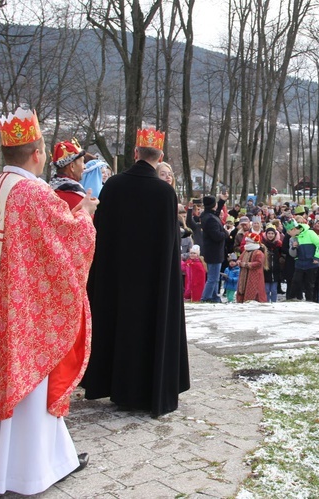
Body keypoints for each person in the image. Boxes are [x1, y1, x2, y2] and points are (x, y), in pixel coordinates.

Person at [0, 107, 97, 496]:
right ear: (37, 153)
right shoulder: (34, 193)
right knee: (30, 387)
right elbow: (68, 244)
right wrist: (85, 215)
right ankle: (26, 474)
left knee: (3, 385)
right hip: (26, 313)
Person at [82, 127, 189, 417]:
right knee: (150, 330)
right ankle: (149, 390)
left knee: (119, 328)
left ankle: (117, 387)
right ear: (160, 157)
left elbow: (100, 235)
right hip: (153, 282)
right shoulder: (165, 193)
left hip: (117, 280)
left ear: (135, 153)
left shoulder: (114, 186)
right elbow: (170, 245)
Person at [285, 219, 319, 301]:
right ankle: (291, 298)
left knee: (309, 284)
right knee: (295, 282)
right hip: (299, 263)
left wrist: (317, 257)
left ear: (294, 229)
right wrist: (293, 247)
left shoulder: (310, 233)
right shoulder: (293, 238)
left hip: (311, 263)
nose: (288, 234)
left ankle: (309, 301)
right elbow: (292, 254)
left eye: (289, 232)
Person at [200, 194, 229, 302]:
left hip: (212, 251)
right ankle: (206, 297)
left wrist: (222, 201)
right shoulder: (210, 219)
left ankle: (214, 296)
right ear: (213, 205)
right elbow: (217, 236)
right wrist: (226, 233)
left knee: (214, 277)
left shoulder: (206, 215)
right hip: (214, 251)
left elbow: (215, 214)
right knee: (213, 278)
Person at [48, 139, 87, 209]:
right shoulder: (77, 196)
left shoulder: (48, 191)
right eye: (83, 162)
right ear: (72, 166)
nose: (85, 167)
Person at [237, 232, 267, 302]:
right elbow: (240, 258)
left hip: (255, 275)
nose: (246, 243)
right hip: (244, 275)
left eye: (247, 241)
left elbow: (259, 263)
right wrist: (238, 262)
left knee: (255, 288)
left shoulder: (258, 252)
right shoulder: (245, 251)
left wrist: (246, 264)